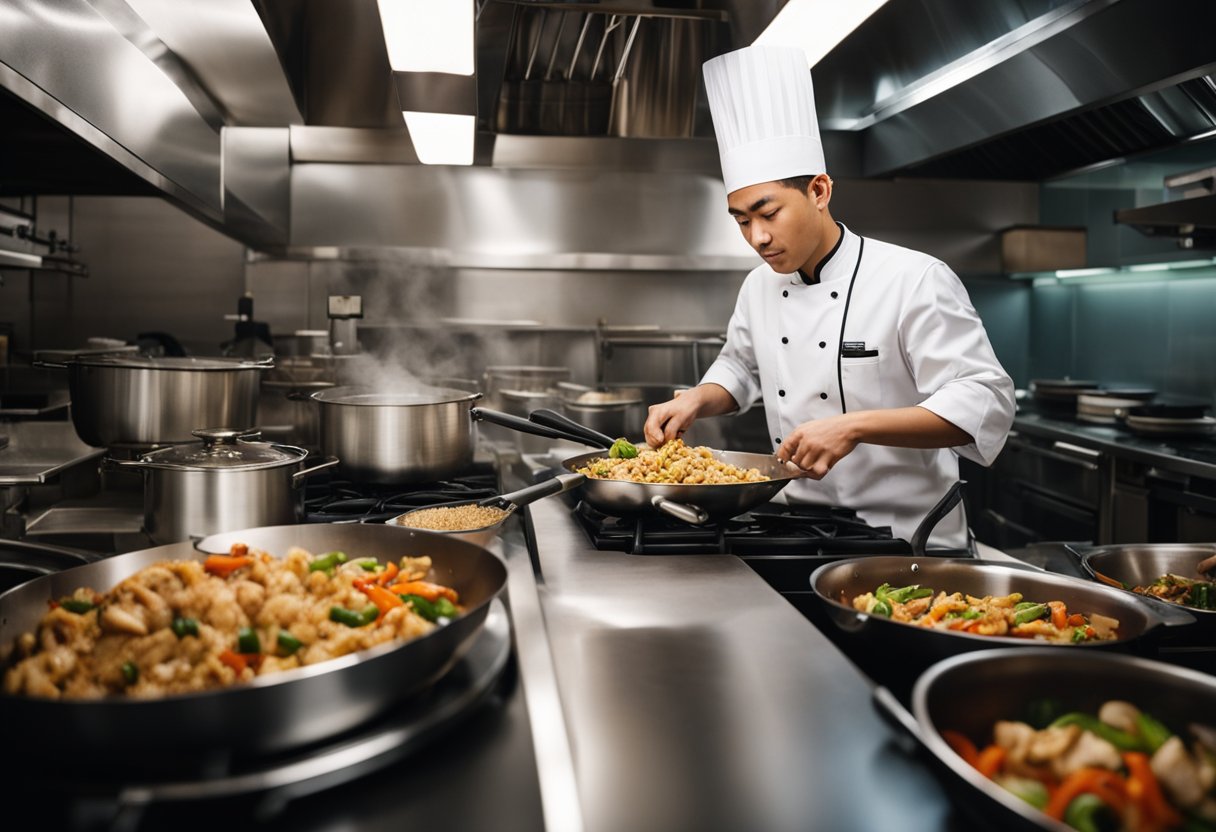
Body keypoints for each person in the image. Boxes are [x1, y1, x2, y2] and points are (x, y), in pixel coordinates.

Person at [642, 44, 1015, 549]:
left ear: (819, 191)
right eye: (742, 221)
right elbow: (743, 369)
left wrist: (853, 427)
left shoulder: (914, 278)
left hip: (907, 541)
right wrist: (695, 401)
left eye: (768, 213)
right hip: (794, 524)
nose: (757, 238)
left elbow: (983, 399)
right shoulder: (759, 285)